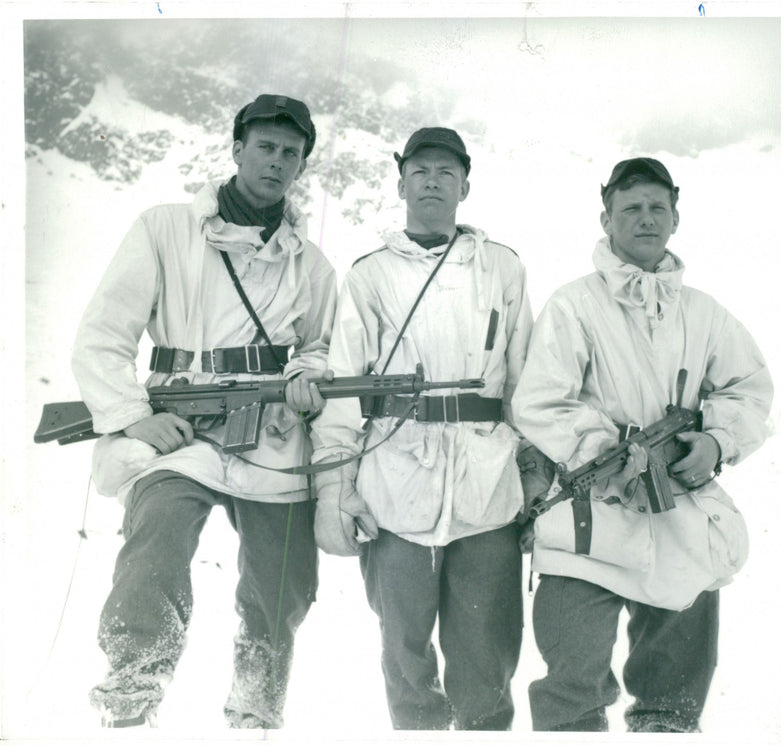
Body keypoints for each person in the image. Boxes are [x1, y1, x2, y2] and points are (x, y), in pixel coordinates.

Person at [71, 94, 337, 728]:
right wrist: (135, 416)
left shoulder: (313, 263)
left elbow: (324, 345)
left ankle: (256, 709)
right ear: (238, 148)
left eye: (291, 153)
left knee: (285, 581)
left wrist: (305, 375)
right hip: (178, 426)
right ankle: (131, 694)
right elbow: (103, 335)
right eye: (266, 147)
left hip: (272, 430)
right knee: (157, 535)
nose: (277, 161)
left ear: (300, 166)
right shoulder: (163, 228)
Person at [511, 157, 773, 733]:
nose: (646, 219)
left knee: (673, 701)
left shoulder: (705, 313)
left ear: (676, 218)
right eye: (631, 208)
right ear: (606, 218)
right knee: (571, 687)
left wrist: (714, 441)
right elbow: (539, 402)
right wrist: (608, 452)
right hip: (591, 515)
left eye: (658, 207)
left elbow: (748, 390)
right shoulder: (573, 304)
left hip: (678, 510)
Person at [310, 127, 534, 730]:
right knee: (403, 644)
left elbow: (527, 382)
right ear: (402, 181)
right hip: (395, 474)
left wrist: (535, 474)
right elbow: (341, 387)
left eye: (445, 172)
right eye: (420, 171)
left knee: (487, 644)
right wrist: (336, 486)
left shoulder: (502, 268)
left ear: (464, 185)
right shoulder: (369, 275)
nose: (432, 181)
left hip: (487, 481)